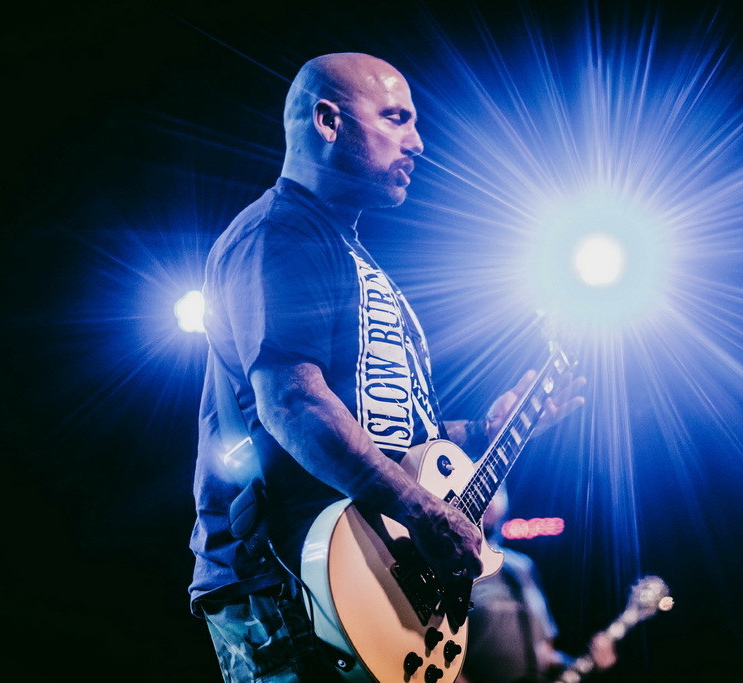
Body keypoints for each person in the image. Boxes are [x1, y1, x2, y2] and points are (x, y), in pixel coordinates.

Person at [187, 53, 585, 682]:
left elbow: (394, 436)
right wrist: (423, 512)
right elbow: (292, 402)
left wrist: (488, 429)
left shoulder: (354, 257)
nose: (418, 142)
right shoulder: (280, 233)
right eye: (397, 118)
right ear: (328, 121)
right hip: (290, 585)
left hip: (370, 584)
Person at [458, 488, 616, 683]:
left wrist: (591, 661)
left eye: (498, 491)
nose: (490, 499)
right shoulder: (453, 566)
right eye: (483, 489)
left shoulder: (523, 567)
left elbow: (544, 652)